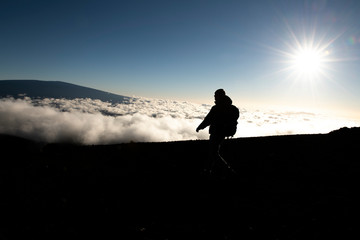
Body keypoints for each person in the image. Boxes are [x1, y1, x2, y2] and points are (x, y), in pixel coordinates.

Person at [196, 89, 239, 175]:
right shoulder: (233, 108)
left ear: (219, 96)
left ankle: (226, 169)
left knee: (213, 152)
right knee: (213, 151)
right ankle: (209, 169)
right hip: (224, 133)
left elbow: (208, 119)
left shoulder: (216, 108)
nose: (214, 97)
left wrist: (200, 127)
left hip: (216, 132)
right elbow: (235, 119)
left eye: (215, 95)